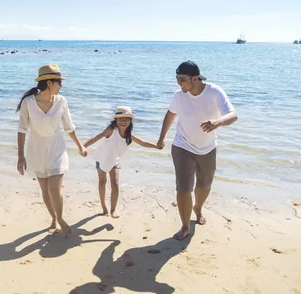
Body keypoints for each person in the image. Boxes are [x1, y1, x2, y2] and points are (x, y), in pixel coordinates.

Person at [157, 61, 237, 240]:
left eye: (182, 79)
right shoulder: (179, 96)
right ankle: (185, 226)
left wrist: (217, 122)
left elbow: (233, 115)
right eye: (177, 78)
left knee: (204, 185)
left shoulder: (214, 92)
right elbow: (170, 114)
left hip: (208, 149)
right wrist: (161, 138)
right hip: (182, 146)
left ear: (195, 78)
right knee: (183, 188)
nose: (179, 83)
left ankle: (198, 207)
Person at [16, 63, 87, 236]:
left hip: (57, 150)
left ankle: (60, 218)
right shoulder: (28, 103)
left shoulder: (61, 101)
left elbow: (69, 127)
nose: (61, 86)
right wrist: (20, 156)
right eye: (59, 82)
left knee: (54, 189)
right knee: (45, 192)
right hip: (36, 151)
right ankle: (53, 219)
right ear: (49, 82)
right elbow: (22, 129)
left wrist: (80, 146)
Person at [84, 106, 160, 218]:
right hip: (102, 158)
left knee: (115, 185)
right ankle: (104, 207)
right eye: (120, 119)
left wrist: (156, 146)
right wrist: (83, 147)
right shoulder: (111, 130)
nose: (123, 121)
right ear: (116, 120)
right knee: (102, 182)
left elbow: (142, 143)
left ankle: (113, 209)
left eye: (126, 119)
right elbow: (97, 137)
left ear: (130, 121)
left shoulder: (129, 134)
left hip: (115, 161)